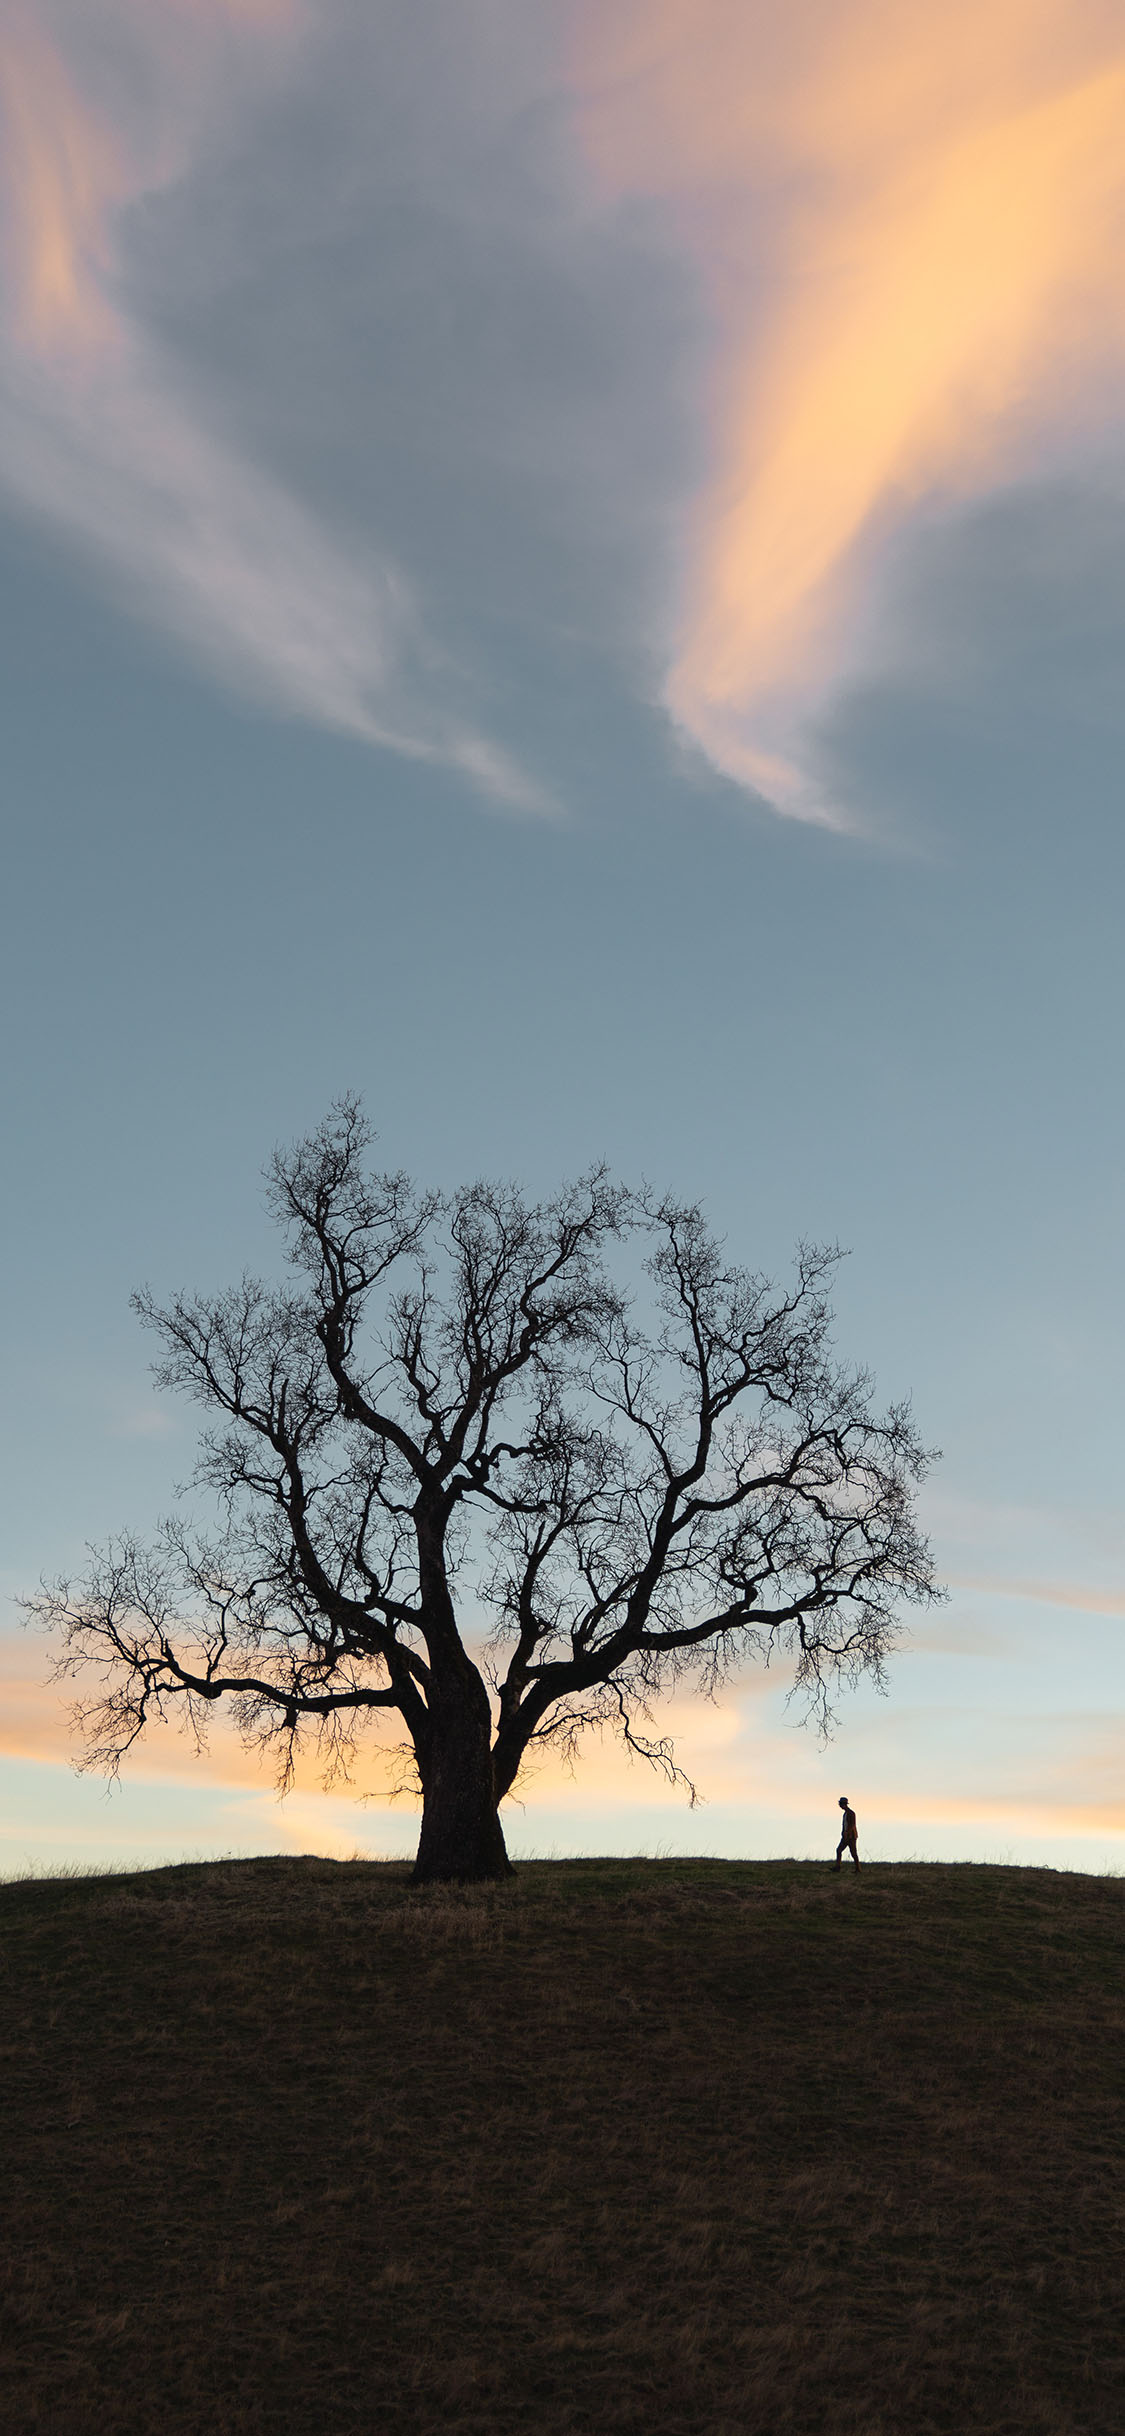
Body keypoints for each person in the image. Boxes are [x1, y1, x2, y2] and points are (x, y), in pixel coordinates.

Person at [834, 1796, 860, 1870]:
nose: (840, 1806)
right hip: (846, 1836)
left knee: (853, 1853)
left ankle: (858, 1869)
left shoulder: (851, 1813)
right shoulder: (846, 1813)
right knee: (839, 1850)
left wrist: (846, 1833)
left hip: (851, 1837)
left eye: (840, 1804)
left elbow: (852, 1825)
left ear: (844, 1804)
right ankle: (837, 1867)